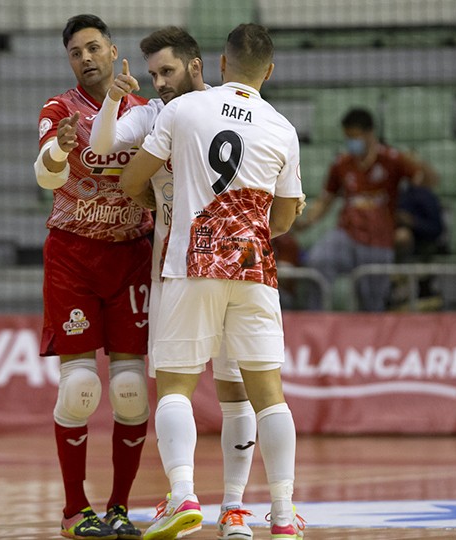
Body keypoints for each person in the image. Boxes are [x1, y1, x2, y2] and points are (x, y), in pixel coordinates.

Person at [121, 23, 305, 540]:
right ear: (269, 71)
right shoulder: (282, 128)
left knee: (176, 386)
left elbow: (133, 181)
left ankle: (182, 496)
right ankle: (276, 514)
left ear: (220, 65)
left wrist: (171, 211)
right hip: (254, 268)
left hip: (192, 262)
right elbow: (285, 220)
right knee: (265, 395)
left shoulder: (184, 110)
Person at [89, 26, 262, 540]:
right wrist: (112, 104)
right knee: (229, 391)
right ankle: (228, 509)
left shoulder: (194, 114)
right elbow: (102, 146)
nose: (159, 82)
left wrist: (142, 193)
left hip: (186, 271)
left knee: (189, 388)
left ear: (197, 65)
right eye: (153, 74)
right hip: (209, 266)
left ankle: (199, 499)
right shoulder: (158, 113)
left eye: (168, 71)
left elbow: (121, 173)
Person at [33, 14, 153, 540]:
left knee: (130, 391)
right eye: (75, 51)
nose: (85, 57)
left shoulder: (147, 112)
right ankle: (74, 510)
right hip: (74, 256)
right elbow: (46, 174)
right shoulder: (59, 110)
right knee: (81, 388)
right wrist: (60, 147)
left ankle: (120, 508)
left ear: (112, 50)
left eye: (93, 47)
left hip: (130, 255)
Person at [295, 108, 438, 312]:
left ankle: (371, 336)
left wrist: (417, 163)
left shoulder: (392, 159)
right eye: (348, 137)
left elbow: (430, 181)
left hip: (378, 241)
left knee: (372, 304)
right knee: (319, 259)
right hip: (346, 235)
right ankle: (316, 318)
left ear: (370, 134)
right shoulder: (342, 163)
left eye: (355, 137)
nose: (351, 142)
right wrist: (307, 221)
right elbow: (326, 200)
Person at [389, 179, 446, 310]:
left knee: (403, 236)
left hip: (421, 249)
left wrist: (412, 221)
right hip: (385, 253)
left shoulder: (423, 195)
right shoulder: (383, 195)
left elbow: (436, 229)